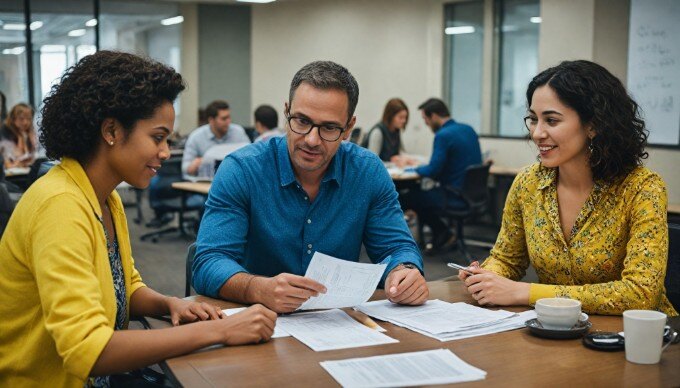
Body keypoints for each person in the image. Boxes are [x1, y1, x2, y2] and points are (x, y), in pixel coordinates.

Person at [0, 51, 277, 387]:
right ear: (112, 130)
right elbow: (87, 349)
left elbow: (123, 285)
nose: (164, 152)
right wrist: (218, 329)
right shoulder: (60, 206)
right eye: (158, 138)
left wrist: (169, 303)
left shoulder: (106, 197)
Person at [192, 61, 428, 313]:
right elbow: (209, 262)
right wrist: (258, 288)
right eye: (302, 121)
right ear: (286, 112)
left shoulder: (367, 172)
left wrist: (403, 271)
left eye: (329, 127)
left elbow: (396, 247)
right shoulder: (242, 170)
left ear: (348, 128)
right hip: (257, 321)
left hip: (337, 324)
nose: (311, 140)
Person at [458, 60, 677, 316]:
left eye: (551, 120)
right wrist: (487, 276)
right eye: (533, 119)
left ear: (593, 125)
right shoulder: (528, 184)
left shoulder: (642, 188)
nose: (537, 133)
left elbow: (641, 294)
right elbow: (507, 259)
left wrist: (525, 292)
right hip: (557, 332)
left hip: (636, 341)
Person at [400, 98, 482, 250]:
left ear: (434, 116)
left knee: (409, 197)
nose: (426, 124)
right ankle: (442, 233)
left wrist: (414, 169)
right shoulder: (468, 129)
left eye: (426, 119)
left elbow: (432, 170)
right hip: (471, 194)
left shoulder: (443, 135)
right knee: (422, 196)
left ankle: (441, 233)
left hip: (452, 195)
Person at [181, 100, 251, 177]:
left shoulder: (238, 132)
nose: (228, 121)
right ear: (211, 120)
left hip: (235, 179)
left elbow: (250, 157)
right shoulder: (196, 137)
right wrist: (197, 164)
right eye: (224, 119)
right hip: (206, 183)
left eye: (229, 117)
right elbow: (185, 168)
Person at [0, 103, 38, 169]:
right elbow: (8, 164)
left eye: (29, 119)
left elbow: (32, 158)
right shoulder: (5, 135)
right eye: (21, 119)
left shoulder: (28, 134)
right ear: (13, 119)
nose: (25, 122)